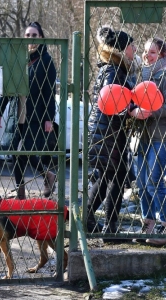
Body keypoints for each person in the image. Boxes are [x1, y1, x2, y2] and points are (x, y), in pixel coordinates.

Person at [0, 21, 57, 199]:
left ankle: (47, 176)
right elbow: (8, 87)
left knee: (28, 151)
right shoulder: (18, 58)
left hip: (35, 114)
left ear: (41, 38)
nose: (31, 39)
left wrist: (49, 118)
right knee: (15, 151)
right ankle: (20, 192)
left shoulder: (46, 61)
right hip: (17, 113)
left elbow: (49, 92)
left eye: (34, 35)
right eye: (28, 35)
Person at [87, 26, 137, 238]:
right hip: (109, 131)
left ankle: (89, 218)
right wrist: (130, 109)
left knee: (109, 175)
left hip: (105, 130)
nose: (134, 50)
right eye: (131, 46)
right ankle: (110, 226)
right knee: (116, 176)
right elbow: (111, 98)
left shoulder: (111, 67)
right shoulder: (114, 71)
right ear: (122, 49)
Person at [129, 37, 166, 245]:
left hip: (161, 136)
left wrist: (152, 111)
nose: (146, 55)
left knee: (154, 181)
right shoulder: (139, 74)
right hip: (141, 136)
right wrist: (134, 110)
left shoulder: (165, 75)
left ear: (161, 54)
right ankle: (148, 223)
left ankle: (164, 225)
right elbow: (129, 100)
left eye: (152, 52)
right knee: (142, 183)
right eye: (144, 51)